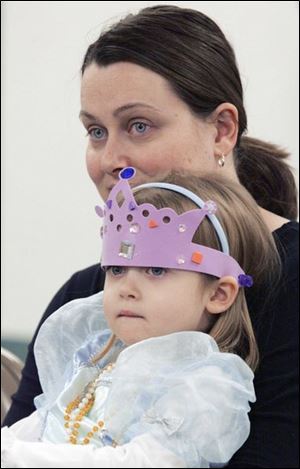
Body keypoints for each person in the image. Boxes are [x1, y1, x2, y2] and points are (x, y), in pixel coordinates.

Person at [3, 4, 298, 467]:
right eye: (96, 131)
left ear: (222, 130)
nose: (110, 159)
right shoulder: (83, 299)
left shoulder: (292, 283)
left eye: (139, 126)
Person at [2, 168, 281, 467]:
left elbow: (143, 462)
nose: (127, 289)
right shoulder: (96, 356)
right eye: (116, 270)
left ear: (218, 294)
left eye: (156, 271)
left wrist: (15, 456)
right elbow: (42, 423)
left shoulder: (205, 384)